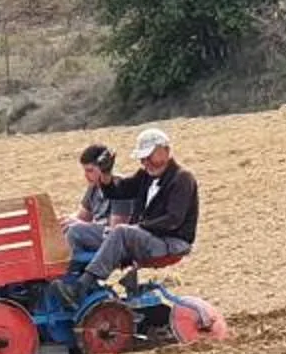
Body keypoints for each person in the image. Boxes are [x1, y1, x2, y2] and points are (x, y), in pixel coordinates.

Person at [54, 126, 197, 303]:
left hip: (169, 242)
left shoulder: (182, 178)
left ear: (166, 151)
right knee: (76, 231)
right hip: (146, 236)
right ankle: (65, 281)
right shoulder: (146, 176)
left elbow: (173, 221)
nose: (146, 162)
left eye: (150, 156)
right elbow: (117, 192)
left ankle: (82, 287)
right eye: (143, 158)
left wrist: (138, 227)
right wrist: (106, 175)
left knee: (121, 231)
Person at [63, 141, 140, 270]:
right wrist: (64, 220)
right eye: (85, 171)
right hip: (100, 236)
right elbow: (82, 217)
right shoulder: (94, 188)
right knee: (64, 227)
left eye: (90, 171)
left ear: (104, 168)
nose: (86, 176)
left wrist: (76, 224)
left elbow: (116, 229)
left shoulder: (120, 187)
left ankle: (76, 276)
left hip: (119, 241)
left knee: (75, 231)